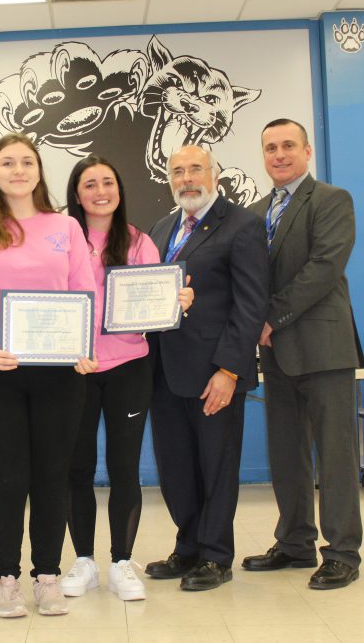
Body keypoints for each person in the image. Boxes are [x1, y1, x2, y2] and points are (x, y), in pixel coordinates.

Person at [0, 133, 97, 618]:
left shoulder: (66, 228)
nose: (18, 170)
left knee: (52, 478)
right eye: (7, 163)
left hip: (60, 372)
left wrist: (85, 346)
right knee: (10, 479)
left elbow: (85, 290)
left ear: (39, 171)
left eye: (27, 162)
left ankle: (48, 576)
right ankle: (7, 579)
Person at [60, 155, 193, 601]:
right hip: (75, 370)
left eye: (108, 182)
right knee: (76, 469)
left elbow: (155, 307)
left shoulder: (139, 241)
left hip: (129, 368)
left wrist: (176, 301)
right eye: (90, 184)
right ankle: (83, 562)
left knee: (124, 468)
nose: (100, 191)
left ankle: (120, 562)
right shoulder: (61, 239)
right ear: (76, 195)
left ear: (120, 190)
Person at [243, 118, 363, 590]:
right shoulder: (255, 213)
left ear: (307, 151)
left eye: (288, 145)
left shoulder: (332, 200)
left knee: (334, 455)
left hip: (323, 348)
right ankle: (294, 543)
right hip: (276, 354)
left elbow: (324, 267)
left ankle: (342, 553)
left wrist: (269, 317)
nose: (279, 154)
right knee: (287, 455)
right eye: (270, 147)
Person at [145, 145, 268, 591]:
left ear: (213, 173)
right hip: (162, 372)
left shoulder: (243, 225)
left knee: (216, 466)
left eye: (195, 168)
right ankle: (188, 547)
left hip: (215, 373)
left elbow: (251, 305)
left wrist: (230, 370)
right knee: (175, 466)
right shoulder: (161, 229)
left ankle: (216, 555)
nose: (187, 178)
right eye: (178, 171)